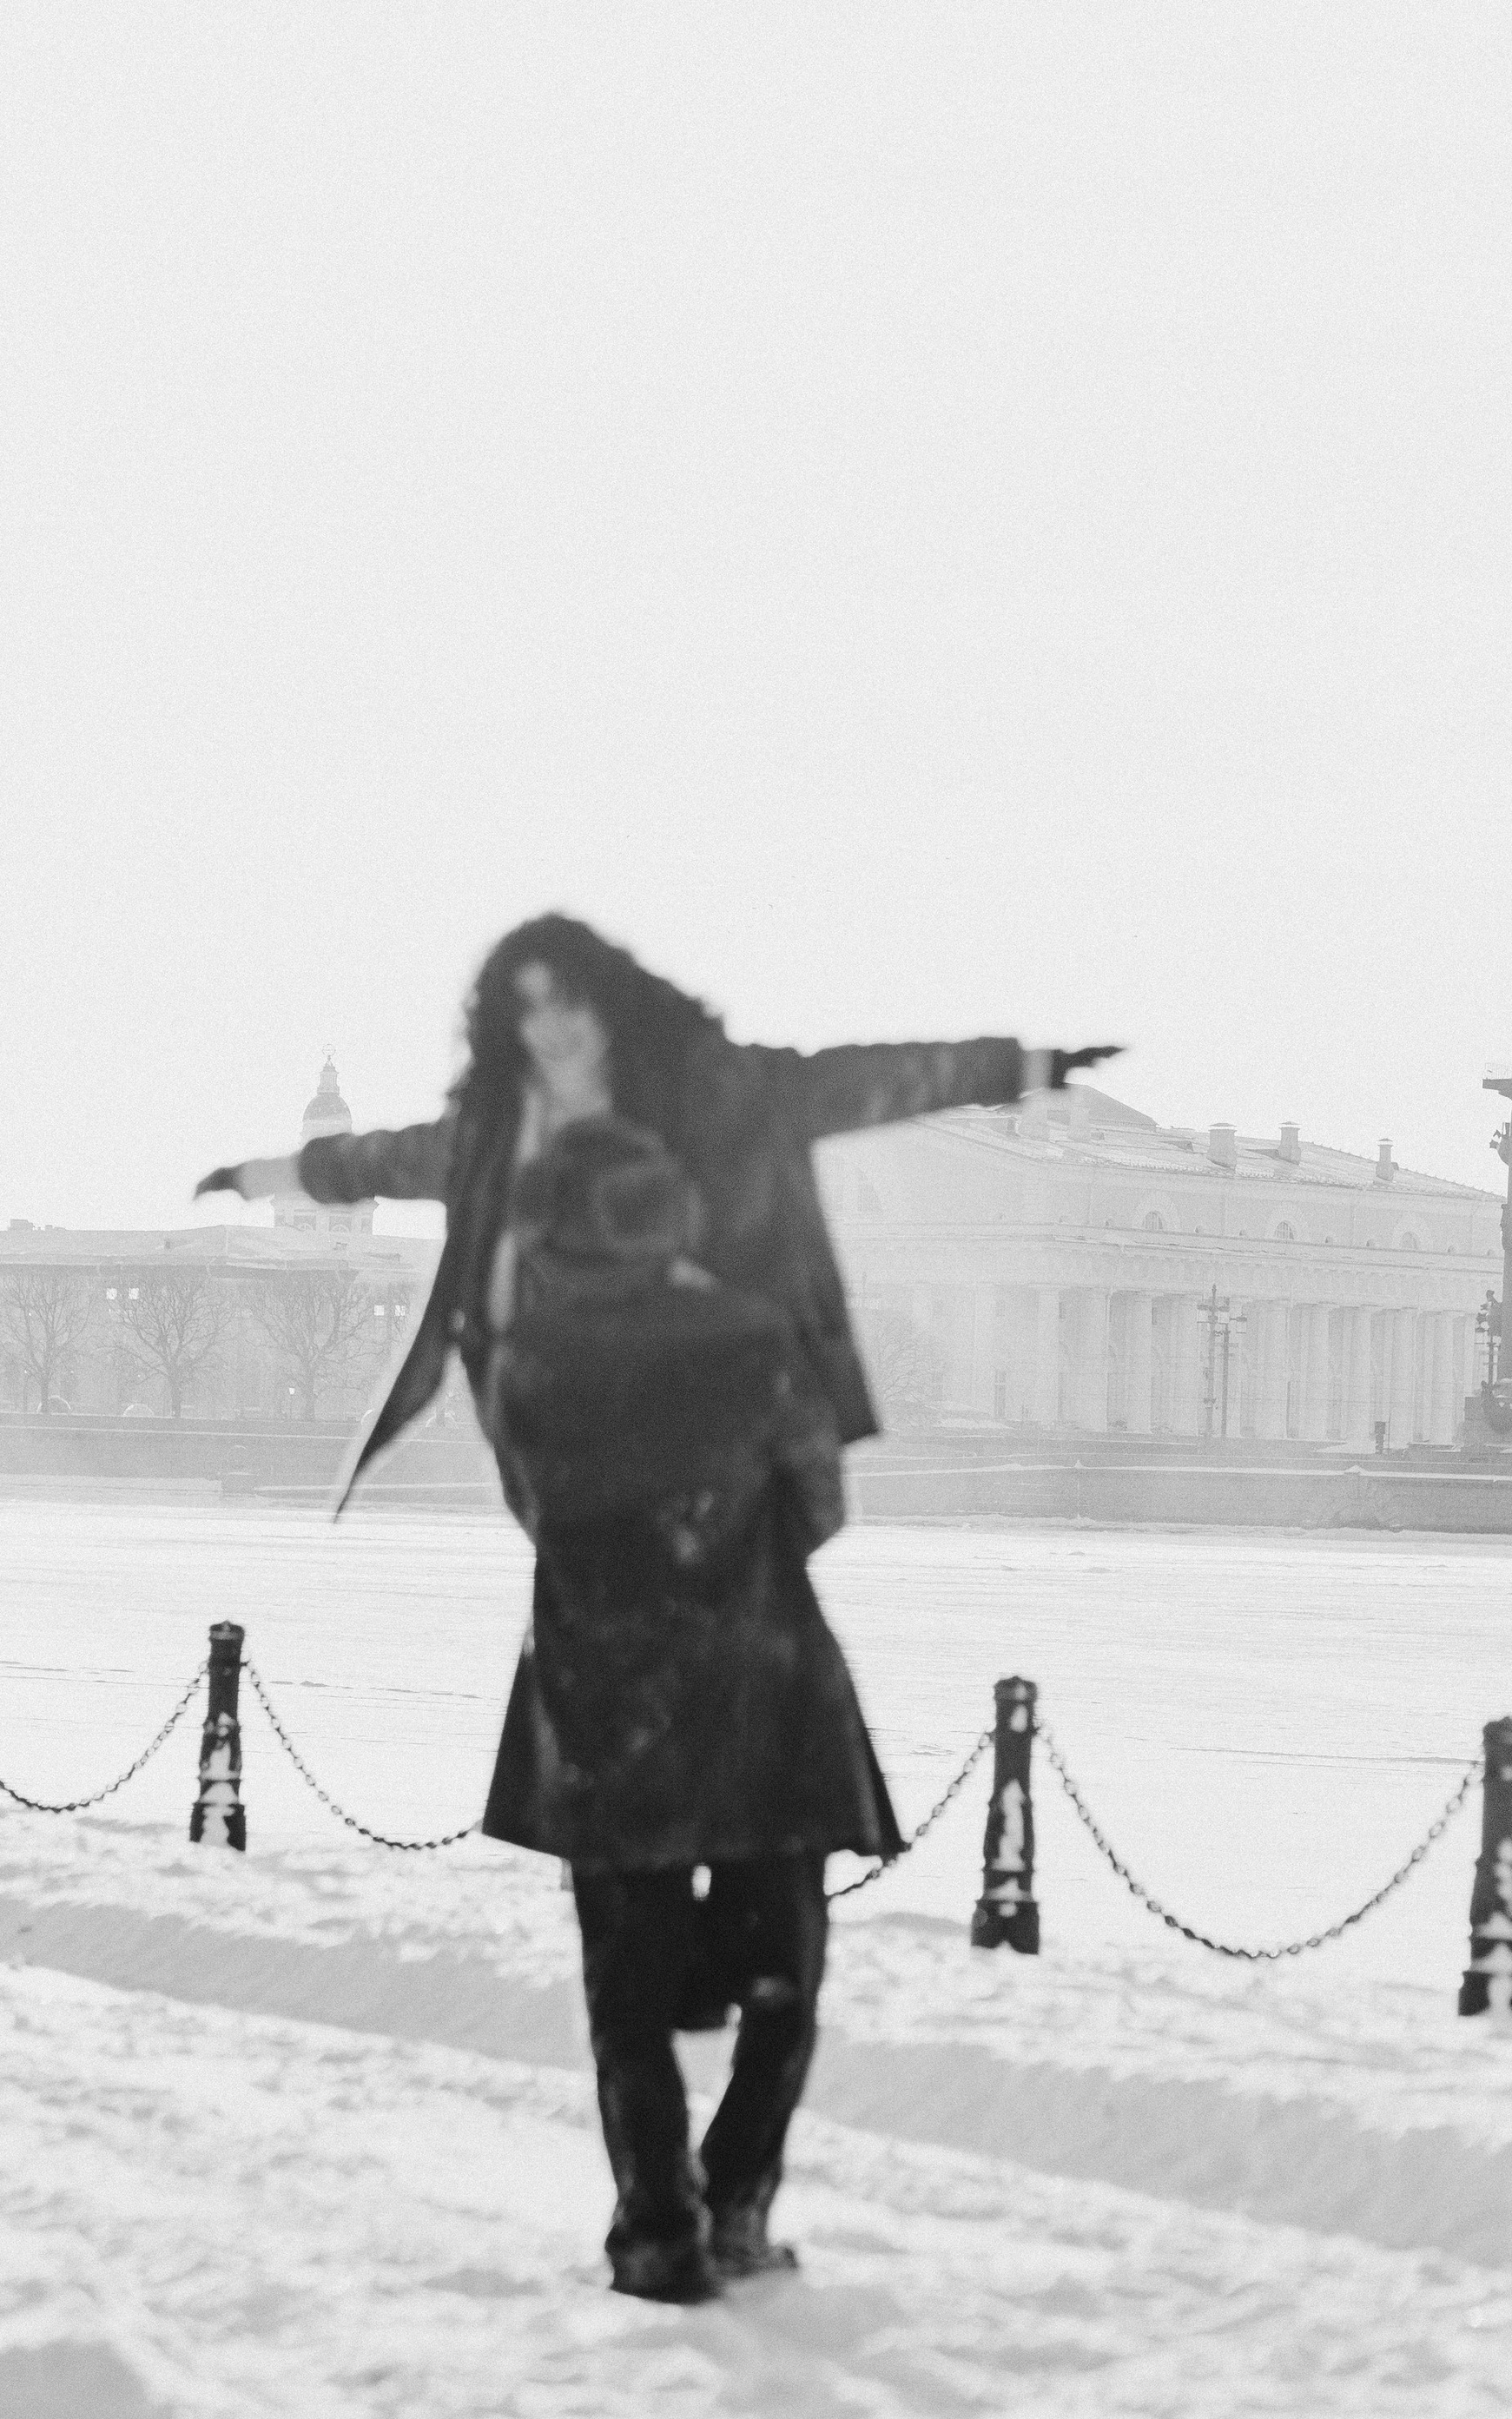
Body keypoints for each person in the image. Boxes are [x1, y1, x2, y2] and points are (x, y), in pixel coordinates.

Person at [197, 913, 1115, 2304]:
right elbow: (383, 1162)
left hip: (630, 1571)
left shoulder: (710, 1098)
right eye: (529, 1009)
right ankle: (700, 2209)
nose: (554, 1031)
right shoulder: (501, 1136)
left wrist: (1016, 1060)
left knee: (642, 1957)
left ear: (615, 1007)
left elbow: (862, 1082)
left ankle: (677, 2223)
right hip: (685, 1563)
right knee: (747, 1946)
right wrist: (283, 1171)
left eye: (569, 1004)